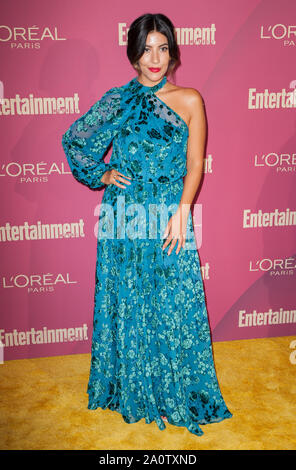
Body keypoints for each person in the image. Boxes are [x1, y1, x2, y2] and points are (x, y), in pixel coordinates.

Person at [61, 12, 232, 437]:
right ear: (133, 54)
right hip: (125, 215)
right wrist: (100, 175)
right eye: (146, 48)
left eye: (162, 47)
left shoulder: (191, 99)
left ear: (172, 52)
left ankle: (174, 388)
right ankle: (132, 387)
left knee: (173, 303)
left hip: (169, 215)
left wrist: (183, 211)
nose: (155, 58)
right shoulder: (118, 100)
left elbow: (195, 165)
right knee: (129, 300)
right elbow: (76, 139)